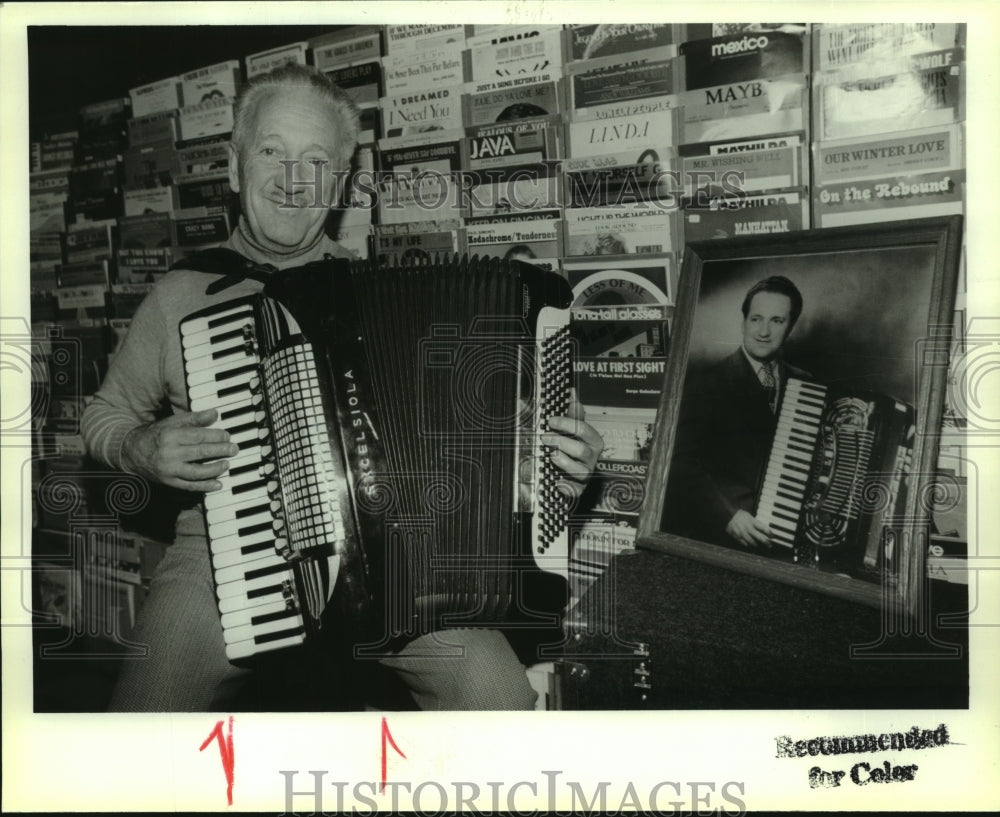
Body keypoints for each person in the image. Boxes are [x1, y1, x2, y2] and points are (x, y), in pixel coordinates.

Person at [81, 64, 603, 712]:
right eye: (270, 151)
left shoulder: (389, 300)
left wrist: (550, 467)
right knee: (144, 716)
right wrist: (136, 448)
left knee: (494, 692)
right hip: (220, 556)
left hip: (388, 562)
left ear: (339, 185)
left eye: (315, 161)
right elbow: (105, 413)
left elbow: (472, 450)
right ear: (235, 167)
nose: (291, 178)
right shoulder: (177, 295)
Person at [665, 275, 808, 549]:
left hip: (786, 538)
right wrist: (727, 515)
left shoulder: (806, 383)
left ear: (791, 326)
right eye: (756, 319)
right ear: (743, 322)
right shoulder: (705, 382)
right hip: (724, 538)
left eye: (777, 321)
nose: (763, 331)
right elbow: (681, 463)